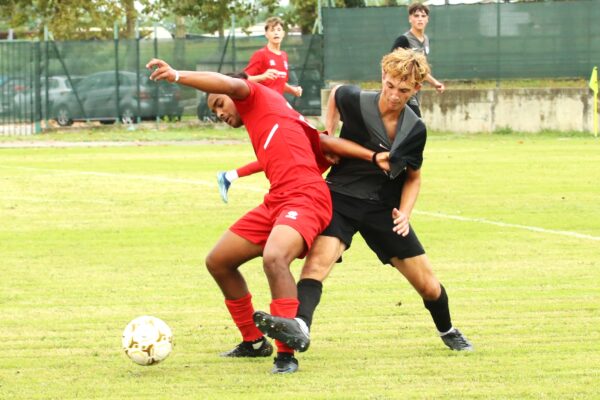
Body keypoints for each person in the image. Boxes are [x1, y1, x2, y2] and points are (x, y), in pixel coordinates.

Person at [146, 58, 390, 374]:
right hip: (277, 201)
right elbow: (323, 142)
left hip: (306, 197)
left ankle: (286, 354)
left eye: (219, 103)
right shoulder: (273, 116)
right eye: (214, 112)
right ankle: (253, 342)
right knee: (218, 261)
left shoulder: (256, 95)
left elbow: (228, 83)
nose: (219, 113)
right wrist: (371, 156)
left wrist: (178, 76)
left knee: (275, 258)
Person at [252, 48, 473, 356]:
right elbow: (337, 94)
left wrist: (405, 215)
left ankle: (447, 330)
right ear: (383, 77)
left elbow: (413, 177)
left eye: (404, 90)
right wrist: (328, 131)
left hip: (384, 209)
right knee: (317, 265)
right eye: (390, 85)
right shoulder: (356, 100)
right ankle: (300, 327)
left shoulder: (414, 129)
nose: (395, 95)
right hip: (339, 199)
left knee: (428, 286)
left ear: (417, 89)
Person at [216, 16, 303, 204]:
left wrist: (291, 89)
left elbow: (278, 80)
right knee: (285, 149)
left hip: (280, 108)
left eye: (279, 29)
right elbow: (243, 80)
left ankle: (229, 176)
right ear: (266, 34)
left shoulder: (284, 56)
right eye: (272, 30)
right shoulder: (261, 55)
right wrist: (262, 75)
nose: (276, 32)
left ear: (284, 33)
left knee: (296, 143)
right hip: (265, 111)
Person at [390, 2, 444, 117]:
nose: (420, 19)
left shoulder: (426, 40)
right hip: (403, 92)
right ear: (410, 19)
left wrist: (435, 83)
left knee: (405, 127)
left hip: (415, 91)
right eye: (416, 16)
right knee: (416, 124)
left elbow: (420, 69)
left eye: (423, 16)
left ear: (427, 19)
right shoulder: (403, 40)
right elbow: (389, 65)